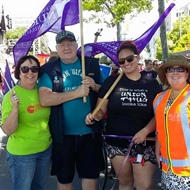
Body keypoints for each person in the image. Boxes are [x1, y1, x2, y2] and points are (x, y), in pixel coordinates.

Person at [85, 40, 162, 189]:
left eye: (129, 59)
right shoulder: (111, 82)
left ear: (138, 58)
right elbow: (100, 110)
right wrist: (94, 116)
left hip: (145, 143)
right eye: (121, 61)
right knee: (125, 183)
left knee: (144, 185)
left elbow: (159, 114)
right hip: (117, 142)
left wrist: (145, 131)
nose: (126, 63)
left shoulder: (152, 84)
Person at [38, 30, 104, 190]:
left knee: (90, 176)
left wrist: (94, 86)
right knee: (64, 178)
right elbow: (45, 99)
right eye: (62, 45)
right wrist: (76, 93)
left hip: (90, 133)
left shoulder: (91, 64)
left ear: (76, 45)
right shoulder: (49, 69)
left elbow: (105, 93)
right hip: (63, 136)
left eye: (70, 44)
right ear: (57, 47)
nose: (66, 48)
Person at [1, 55, 52, 190]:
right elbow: (8, 130)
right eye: (25, 69)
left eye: (34, 69)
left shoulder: (43, 91)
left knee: (39, 187)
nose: (30, 72)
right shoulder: (11, 96)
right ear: (18, 72)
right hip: (22, 154)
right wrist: (15, 109)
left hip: (45, 150)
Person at [153, 54, 190, 189]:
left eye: (180, 69)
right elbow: (160, 128)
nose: (175, 72)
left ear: (187, 74)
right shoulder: (159, 98)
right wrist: (158, 148)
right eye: (171, 69)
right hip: (167, 169)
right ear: (166, 74)